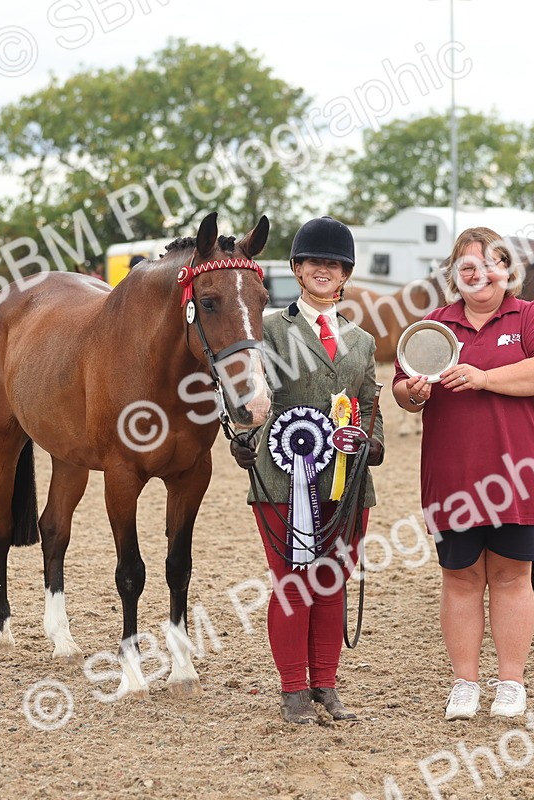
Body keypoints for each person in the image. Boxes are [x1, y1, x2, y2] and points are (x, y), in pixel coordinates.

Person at [392, 227, 534, 721]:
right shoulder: (435, 325)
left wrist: (483, 377)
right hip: (453, 478)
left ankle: (511, 683)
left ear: (507, 270)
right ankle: (464, 684)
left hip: (517, 476)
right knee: (461, 579)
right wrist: (416, 394)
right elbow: (402, 389)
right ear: (454, 276)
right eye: (467, 267)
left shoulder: (531, 316)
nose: (480, 274)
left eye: (491, 264)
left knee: (512, 578)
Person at [230, 216, 385, 724]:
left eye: (334, 264)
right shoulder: (270, 329)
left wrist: (372, 444)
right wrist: (245, 440)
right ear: (297, 269)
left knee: (332, 580)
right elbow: (251, 395)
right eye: (314, 262)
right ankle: (293, 688)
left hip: (347, 483)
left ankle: (326, 684)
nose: (324, 270)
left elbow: (370, 405)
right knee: (293, 580)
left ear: (345, 274)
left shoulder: (361, 341)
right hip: (283, 480)